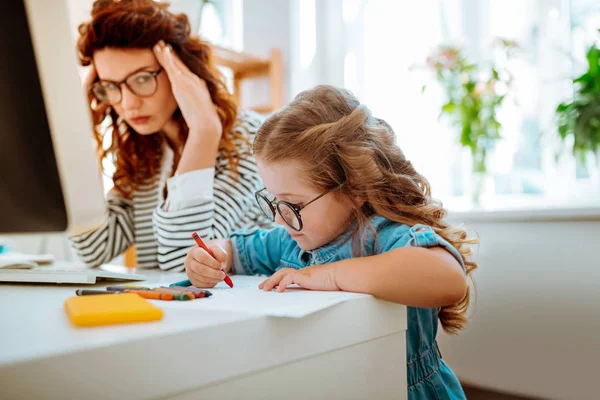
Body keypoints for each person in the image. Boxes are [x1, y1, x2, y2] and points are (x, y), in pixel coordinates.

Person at [184, 85, 477, 398]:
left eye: (293, 205)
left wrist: (326, 275)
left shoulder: (385, 235)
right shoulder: (293, 240)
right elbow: (232, 249)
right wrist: (211, 257)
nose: (279, 220)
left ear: (354, 188)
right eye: (273, 202)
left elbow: (448, 279)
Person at [69, 0, 272, 271]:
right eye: (112, 85)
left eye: (141, 79)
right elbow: (93, 247)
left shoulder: (250, 140)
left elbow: (185, 262)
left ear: (182, 70)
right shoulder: (145, 150)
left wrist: (204, 132)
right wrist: (77, 127)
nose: (128, 103)